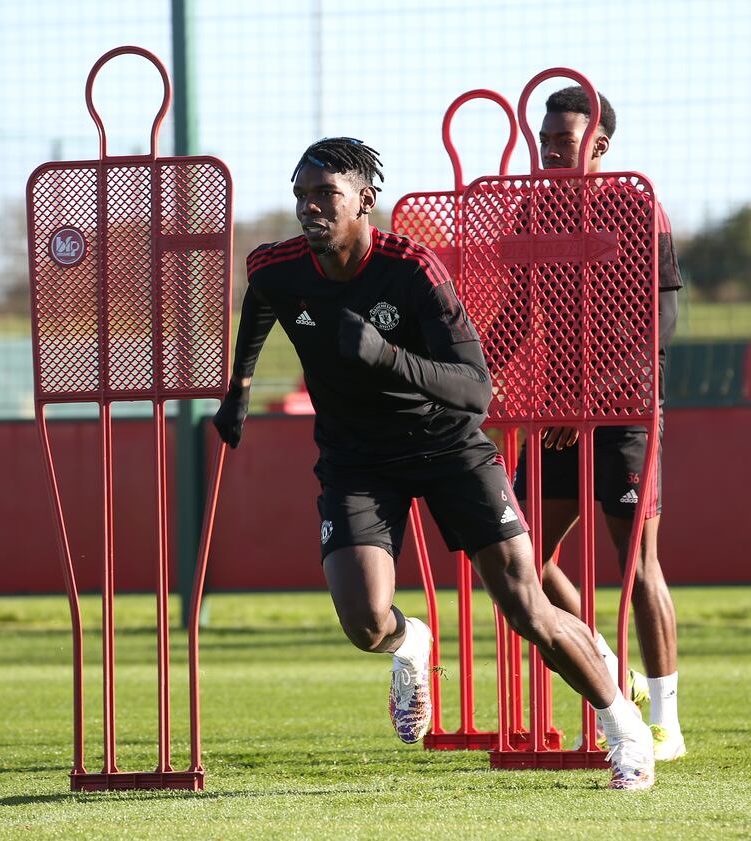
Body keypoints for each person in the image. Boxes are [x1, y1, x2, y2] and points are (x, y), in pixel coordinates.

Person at [213, 136, 655, 790]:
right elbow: (260, 302)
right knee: (364, 621)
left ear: (365, 201)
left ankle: (625, 727)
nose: (309, 207)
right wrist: (239, 390)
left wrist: (383, 355)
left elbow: (477, 388)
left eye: (325, 195)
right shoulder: (279, 266)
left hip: (449, 446)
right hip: (356, 459)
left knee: (526, 609)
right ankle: (411, 641)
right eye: (301, 194)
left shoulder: (413, 269)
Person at [512, 87, 685, 761]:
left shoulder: (639, 205)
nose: (551, 151)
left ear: (600, 146)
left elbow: (659, 327)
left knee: (637, 565)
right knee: (520, 558)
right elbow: (516, 323)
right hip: (558, 413)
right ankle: (609, 667)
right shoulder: (533, 208)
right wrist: (468, 375)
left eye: (565, 141)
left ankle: (667, 722)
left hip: (627, 408)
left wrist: (584, 397)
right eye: (545, 140)